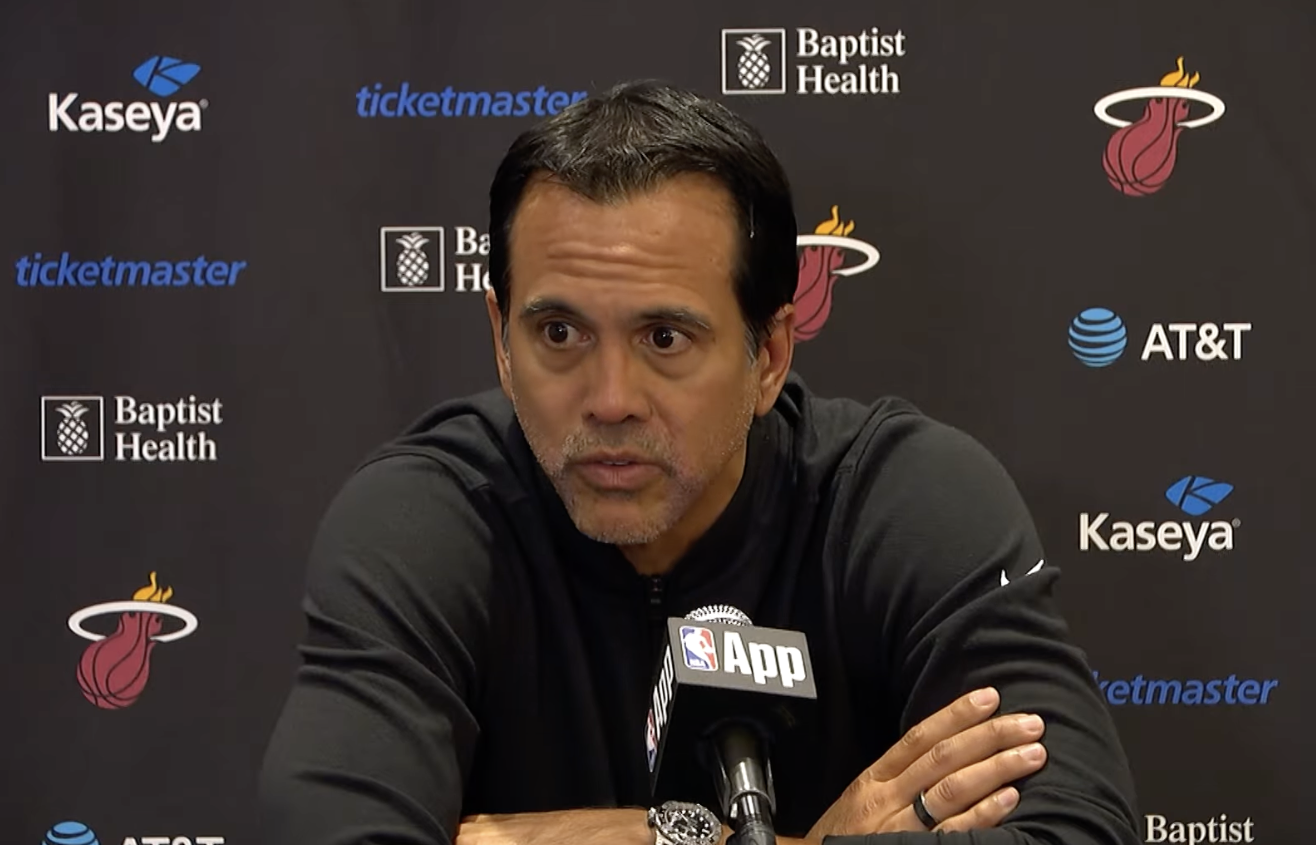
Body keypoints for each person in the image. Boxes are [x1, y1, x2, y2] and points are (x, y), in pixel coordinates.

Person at [257, 80, 1140, 845]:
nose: (610, 398)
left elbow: (1077, 829)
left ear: (770, 355)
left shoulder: (900, 498)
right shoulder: (428, 516)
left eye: (665, 337)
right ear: (499, 338)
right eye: (558, 333)